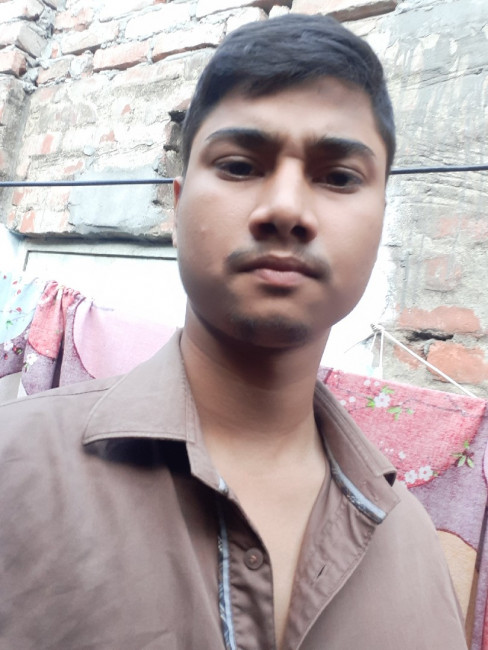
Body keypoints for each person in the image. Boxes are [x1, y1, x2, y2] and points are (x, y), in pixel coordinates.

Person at [0, 14, 467, 650]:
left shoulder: (413, 547)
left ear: (380, 221)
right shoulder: (15, 469)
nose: (286, 209)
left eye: (338, 176)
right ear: (176, 205)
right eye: (241, 165)